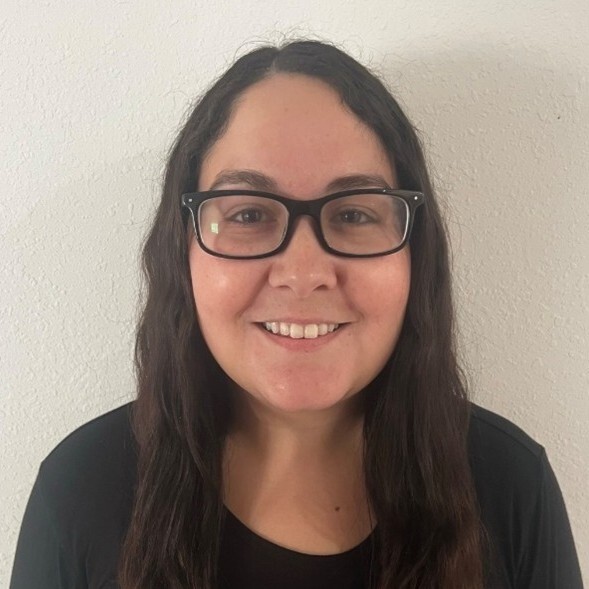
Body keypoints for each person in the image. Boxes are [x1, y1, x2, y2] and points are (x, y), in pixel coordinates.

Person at [10, 40, 583, 589]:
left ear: (417, 250)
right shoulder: (80, 490)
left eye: (354, 215)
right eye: (249, 214)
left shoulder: (510, 484)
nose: (303, 272)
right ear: (180, 250)